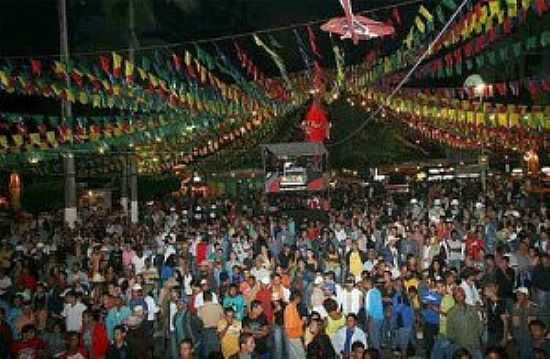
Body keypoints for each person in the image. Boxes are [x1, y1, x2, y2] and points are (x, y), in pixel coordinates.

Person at [447, 287, 483, 359]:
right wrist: (458, 342)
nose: (461, 297)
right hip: (461, 348)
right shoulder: (452, 313)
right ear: (454, 297)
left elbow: (479, 325)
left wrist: (476, 337)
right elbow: (450, 332)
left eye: (462, 294)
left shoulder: (472, 309)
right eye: (458, 295)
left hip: (474, 346)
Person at [197, 290, 224, 357]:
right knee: (216, 352)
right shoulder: (218, 306)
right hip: (216, 331)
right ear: (211, 297)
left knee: (207, 352)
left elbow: (199, 319)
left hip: (206, 332)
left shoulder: (200, 308)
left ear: (203, 298)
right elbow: (222, 317)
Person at [284, 291, 306, 358]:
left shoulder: (292, 307)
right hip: (293, 335)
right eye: (300, 298)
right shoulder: (290, 308)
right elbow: (291, 325)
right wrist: (302, 321)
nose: (300, 300)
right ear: (296, 298)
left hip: (292, 335)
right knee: (301, 355)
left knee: (293, 355)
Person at [364, 277, 383, 351]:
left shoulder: (370, 293)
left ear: (369, 284)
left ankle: (376, 352)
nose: (363, 285)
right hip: (379, 317)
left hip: (373, 317)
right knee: (377, 335)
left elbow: (369, 307)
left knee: (373, 336)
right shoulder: (377, 291)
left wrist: (369, 318)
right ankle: (377, 350)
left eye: (365, 283)